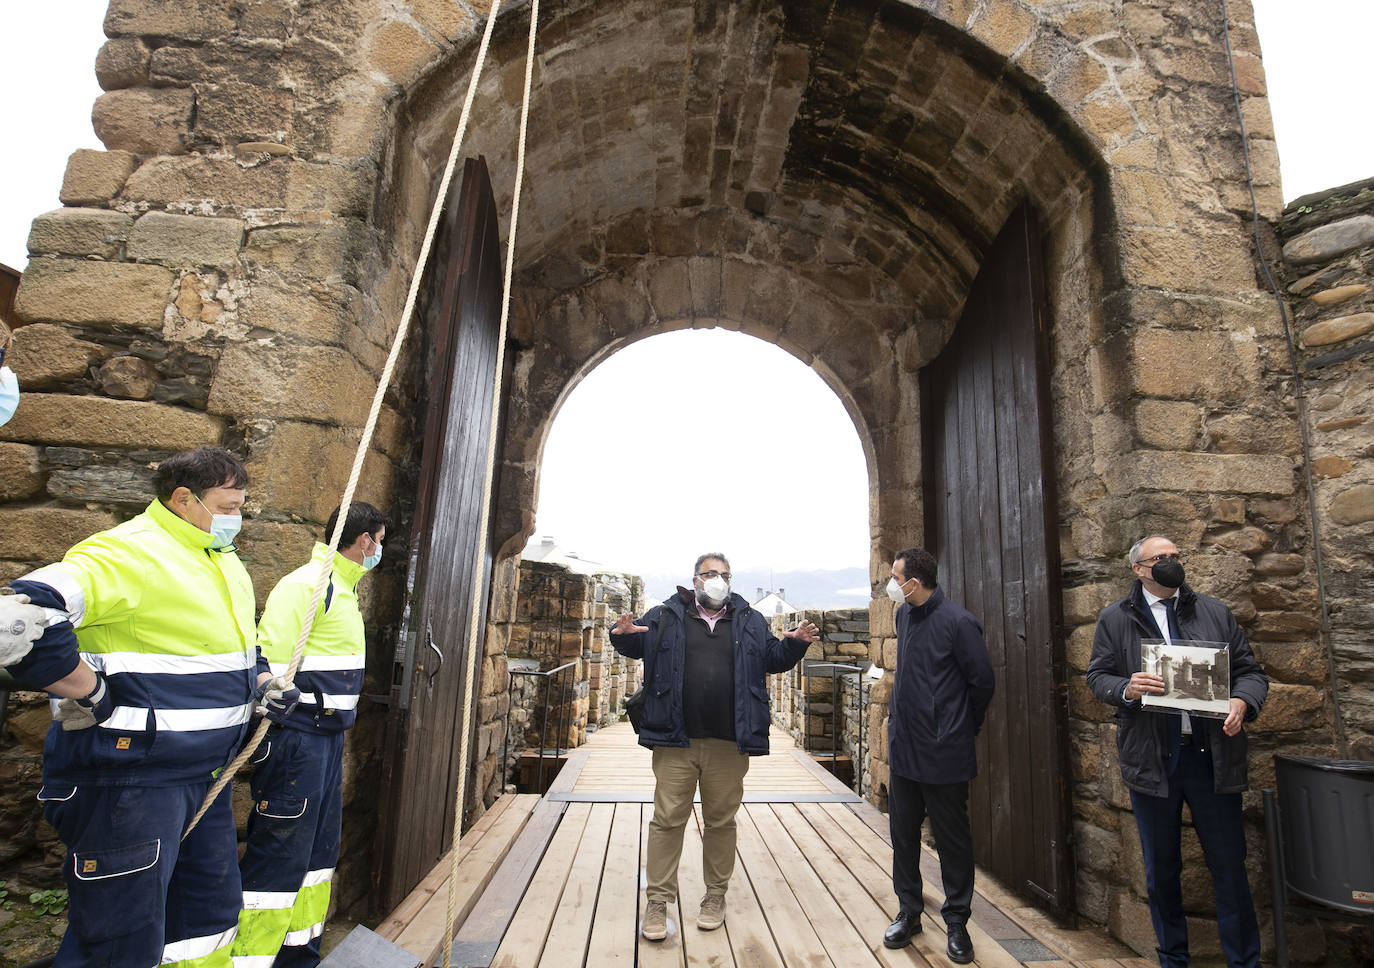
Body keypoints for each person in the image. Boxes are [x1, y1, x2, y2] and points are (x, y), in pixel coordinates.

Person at [0, 446, 294, 968]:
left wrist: (264, 680)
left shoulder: (220, 562)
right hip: (130, 785)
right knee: (119, 943)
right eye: (228, 505)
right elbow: (16, 621)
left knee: (205, 925)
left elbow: (237, 646)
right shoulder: (128, 552)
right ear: (184, 500)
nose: (237, 518)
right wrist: (88, 690)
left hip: (202, 776)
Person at [610, 553, 819, 941]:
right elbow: (634, 643)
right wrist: (618, 634)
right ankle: (658, 901)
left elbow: (771, 658)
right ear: (696, 580)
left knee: (721, 822)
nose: (718, 580)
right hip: (676, 738)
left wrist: (796, 646)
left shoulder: (750, 619)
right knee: (667, 819)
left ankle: (715, 895)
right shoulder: (664, 615)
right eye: (711, 574)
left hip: (728, 740)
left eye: (724, 574)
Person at [1086, 535, 1268, 968]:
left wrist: (1243, 701)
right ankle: (1173, 958)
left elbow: (1249, 671)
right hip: (1154, 760)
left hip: (1212, 757)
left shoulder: (1214, 611)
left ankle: (1245, 961)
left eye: (1175, 556)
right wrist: (1126, 688)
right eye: (1159, 558)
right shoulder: (1116, 618)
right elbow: (1097, 677)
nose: (1170, 563)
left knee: (1229, 867)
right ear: (1139, 569)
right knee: (1162, 871)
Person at [231, 501, 389, 968]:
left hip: (324, 741)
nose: (379, 550)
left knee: (316, 860)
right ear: (365, 540)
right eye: (379, 541)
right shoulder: (307, 586)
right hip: (297, 742)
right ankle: (251, 961)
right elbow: (270, 665)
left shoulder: (341, 587)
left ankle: (298, 955)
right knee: (279, 857)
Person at [882, 546, 995, 965]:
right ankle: (909, 911)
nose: (891, 583)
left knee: (952, 839)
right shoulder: (903, 615)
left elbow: (982, 683)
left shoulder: (960, 623)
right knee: (904, 835)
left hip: (946, 751)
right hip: (906, 748)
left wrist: (962, 727)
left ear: (915, 582)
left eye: (896, 577)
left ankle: (957, 921)